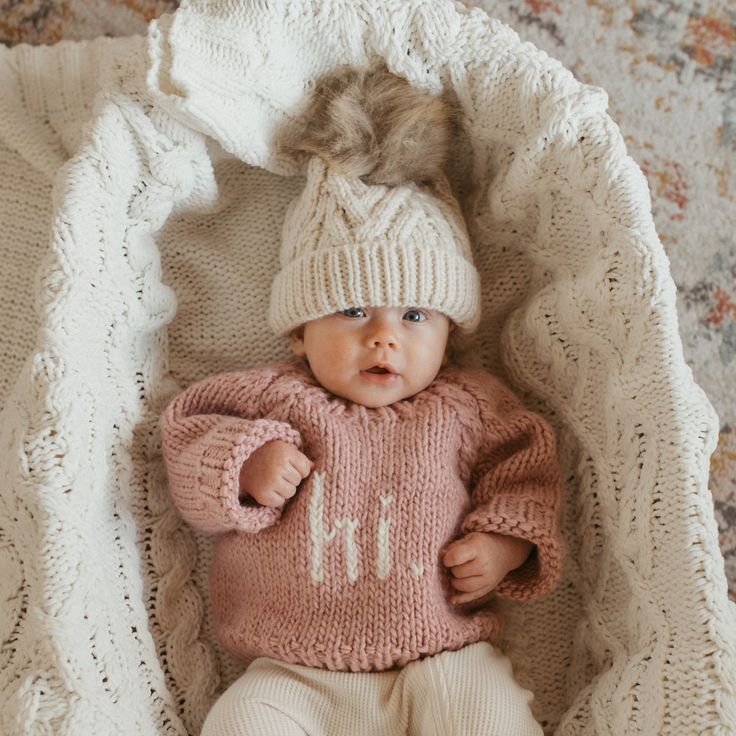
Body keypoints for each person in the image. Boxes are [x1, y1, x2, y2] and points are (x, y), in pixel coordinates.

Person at [160, 65, 565, 735]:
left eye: (415, 317)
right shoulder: (271, 400)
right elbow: (187, 441)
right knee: (240, 722)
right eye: (352, 310)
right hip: (291, 674)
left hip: (441, 662)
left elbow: (527, 476)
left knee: (491, 712)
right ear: (299, 330)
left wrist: (503, 545)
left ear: (449, 331)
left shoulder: (468, 406)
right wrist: (247, 465)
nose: (383, 337)